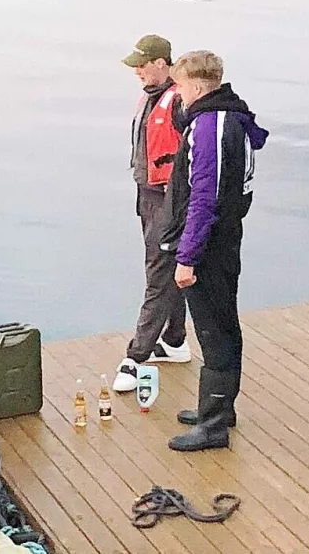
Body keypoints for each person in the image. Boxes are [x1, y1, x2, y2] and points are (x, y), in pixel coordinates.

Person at [163, 51, 268, 452]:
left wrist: (187, 256)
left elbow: (205, 196)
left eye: (180, 87)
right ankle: (220, 407)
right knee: (221, 322)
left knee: (214, 328)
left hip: (211, 245)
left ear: (195, 87)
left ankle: (214, 424)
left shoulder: (211, 126)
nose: (178, 95)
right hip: (222, 239)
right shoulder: (226, 116)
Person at [113, 34, 193, 394]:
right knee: (166, 268)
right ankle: (175, 341)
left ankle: (136, 356)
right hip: (148, 197)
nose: (138, 73)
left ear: (162, 63)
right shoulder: (152, 97)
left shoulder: (179, 102)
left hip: (169, 201)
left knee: (158, 275)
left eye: (142, 66)